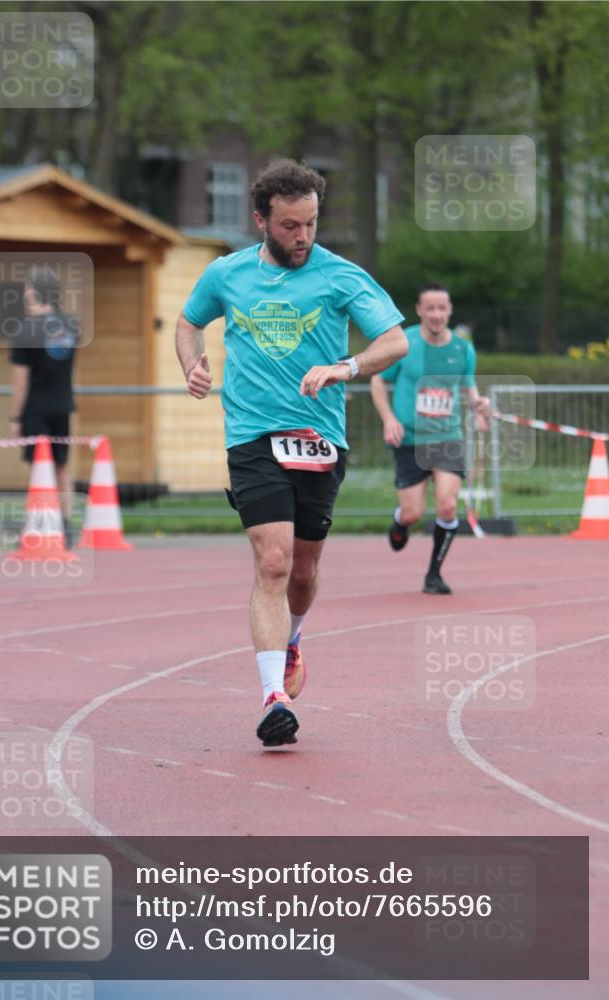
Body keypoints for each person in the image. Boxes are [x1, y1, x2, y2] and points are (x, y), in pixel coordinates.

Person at [176, 159, 407, 748]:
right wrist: (191, 364)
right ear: (261, 220)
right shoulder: (226, 275)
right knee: (272, 562)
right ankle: (272, 696)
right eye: (289, 226)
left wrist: (344, 367)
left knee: (303, 570)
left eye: (309, 224)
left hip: (320, 439)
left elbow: (394, 340)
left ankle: (294, 638)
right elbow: (187, 321)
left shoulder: (340, 275)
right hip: (252, 436)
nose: (302, 237)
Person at [370, 283, 490, 595]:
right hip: (409, 440)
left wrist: (479, 406)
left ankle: (434, 575)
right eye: (430, 308)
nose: (436, 314)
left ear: (449, 311)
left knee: (448, 506)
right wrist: (389, 419)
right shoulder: (403, 344)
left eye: (442, 308)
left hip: (447, 437)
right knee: (413, 513)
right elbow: (378, 382)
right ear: (420, 310)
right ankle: (401, 521)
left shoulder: (463, 349)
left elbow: (469, 389)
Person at [9, 266, 79, 547]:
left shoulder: (25, 329)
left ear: (35, 292)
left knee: (39, 468)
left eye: (27, 288)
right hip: (63, 404)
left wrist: (15, 417)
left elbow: (20, 380)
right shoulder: (71, 324)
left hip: (36, 407)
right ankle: (65, 526)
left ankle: (37, 527)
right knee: (62, 467)